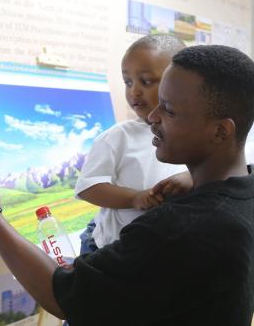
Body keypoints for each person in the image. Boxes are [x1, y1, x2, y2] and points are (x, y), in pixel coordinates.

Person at [0, 45, 254, 326]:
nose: (153, 117)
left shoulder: (180, 229)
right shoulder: (252, 198)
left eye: (169, 110)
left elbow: (64, 295)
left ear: (220, 131)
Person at [75, 34, 191, 254]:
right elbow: (88, 187)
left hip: (155, 250)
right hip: (108, 249)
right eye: (128, 82)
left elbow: (208, 170)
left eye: (145, 81)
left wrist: (190, 178)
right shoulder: (117, 137)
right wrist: (134, 198)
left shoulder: (191, 135)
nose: (133, 91)